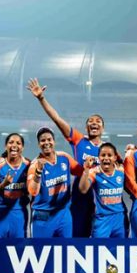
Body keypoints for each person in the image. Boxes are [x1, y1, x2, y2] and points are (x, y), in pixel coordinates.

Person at [27, 77, 104, 238]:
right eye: (90, 121)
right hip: (77, 197)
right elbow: (57, 119)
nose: (94, 123)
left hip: (97, 197)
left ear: (103, 127)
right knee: (72, 240)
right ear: (86, 127)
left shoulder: (108, 150)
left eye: (98, 121)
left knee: (88, 240)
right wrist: (41, 99)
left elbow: (120, 169)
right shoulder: (79, 140)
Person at [27, 127, 83, 238]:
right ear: (39, 144)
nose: (46, 143)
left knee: (66, 251)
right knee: (41, 252)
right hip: (43, 216)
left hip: (63, 213)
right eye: (43, 141)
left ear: (54, 141)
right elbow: (33, 191)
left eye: (49, 139)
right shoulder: (35, 165)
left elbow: (80, 171)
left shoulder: (64, 157)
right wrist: (38, 172)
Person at [0, 133, 30, 238]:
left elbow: (32, 188)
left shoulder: (29, 165)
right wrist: (3, 184)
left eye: (18, 143)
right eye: (11, 142)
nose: (14, 145)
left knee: (18, 249)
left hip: (18, 213)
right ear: (5, 146)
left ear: (22, 148)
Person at [79, 143, 126, 238]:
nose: (106, 158)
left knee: (120, 250)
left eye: (109, 155)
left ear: (115, 158)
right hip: (102, 220)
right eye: (103, 155)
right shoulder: (94, 173)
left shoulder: (121, 172)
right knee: (99, 251)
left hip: (119, 218)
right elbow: (83, 189)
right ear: (98, 157)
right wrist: (86, 170)